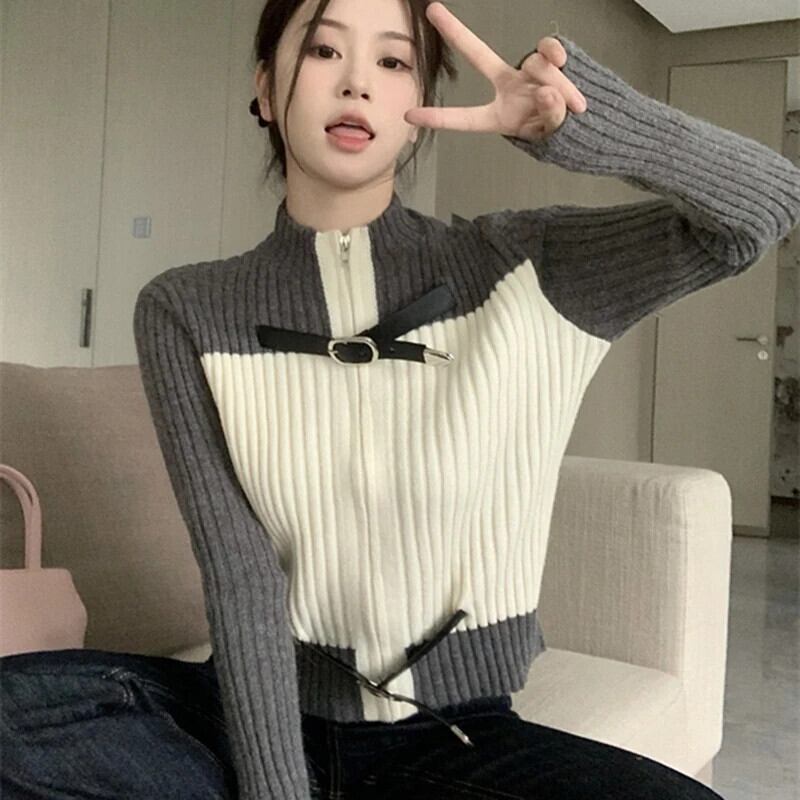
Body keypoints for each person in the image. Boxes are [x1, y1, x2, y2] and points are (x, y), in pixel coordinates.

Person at [2, 0, 799, 798]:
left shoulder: (528, 267)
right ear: (267, 90)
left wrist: (581, 127)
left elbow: (765, 206)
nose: (356, 83)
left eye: (392, 61)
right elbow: (240, 574)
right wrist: (277, 788)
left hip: (457, 735)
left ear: (421, 106)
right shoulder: (186, 309)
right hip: (250, 712)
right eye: (324, 51)